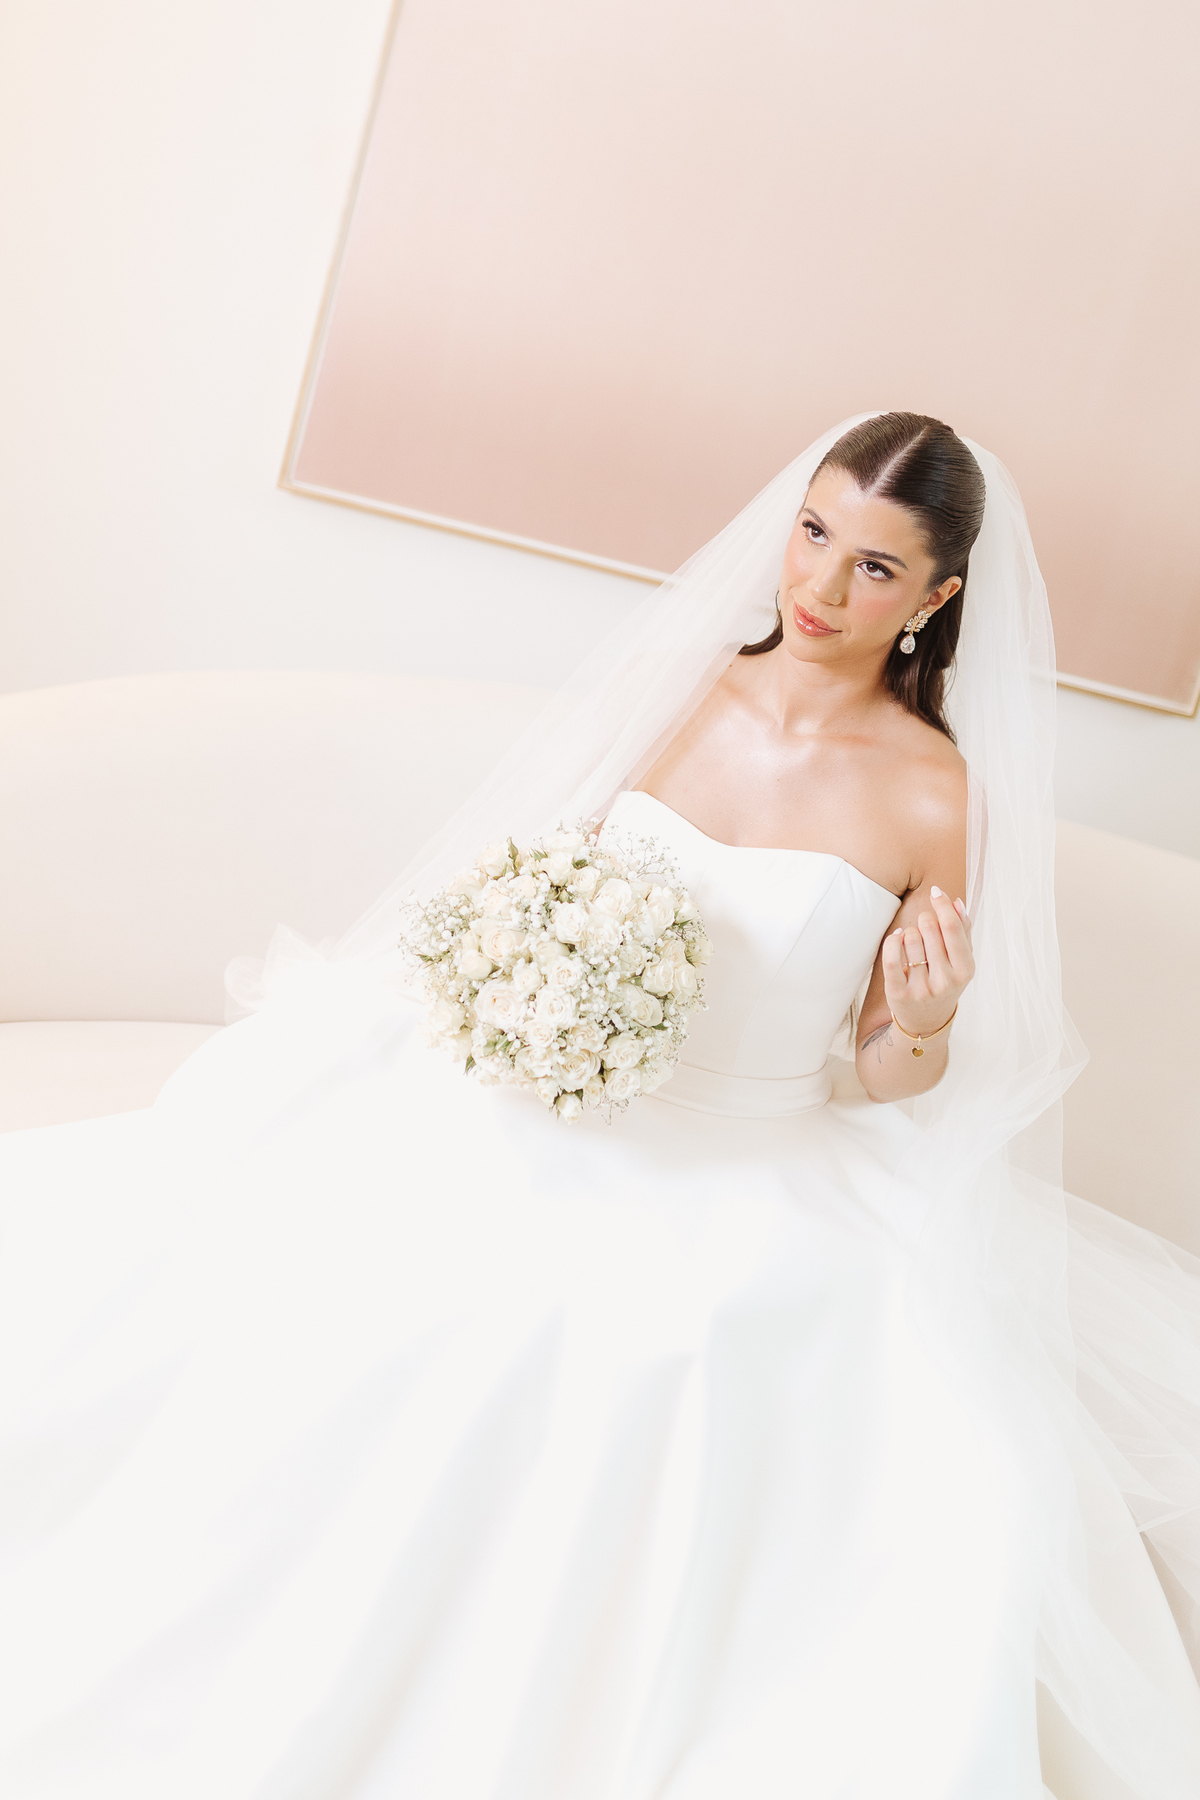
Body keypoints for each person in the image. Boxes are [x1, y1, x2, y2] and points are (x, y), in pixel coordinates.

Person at [1, 413, 1197, 1799]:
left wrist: (921, 1022)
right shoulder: (678, 690)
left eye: (875, 567)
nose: (821, 585)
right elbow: (536, 878)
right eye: (814, 533)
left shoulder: (938, 796)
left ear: (936, 597)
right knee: (391, 1277)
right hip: (543, 1089)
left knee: (691, 1340)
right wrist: (528, 976)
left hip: (754, 1156)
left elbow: (889, 1071)